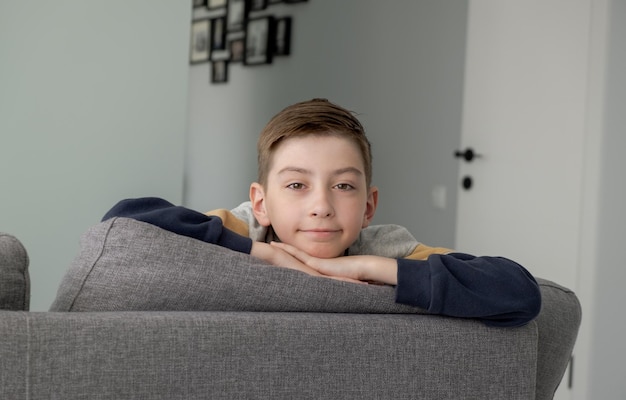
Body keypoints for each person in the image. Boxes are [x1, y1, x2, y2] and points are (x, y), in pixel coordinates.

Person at [103, 98, 541, 327]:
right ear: (262, 202)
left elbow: (519, 293)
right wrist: (265, 254)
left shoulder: (388, 248)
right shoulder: (242, 226)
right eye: (296, 185)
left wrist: (370, 266)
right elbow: (124, 220)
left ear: (369, 207)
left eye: (344, 186)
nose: (321, 206)